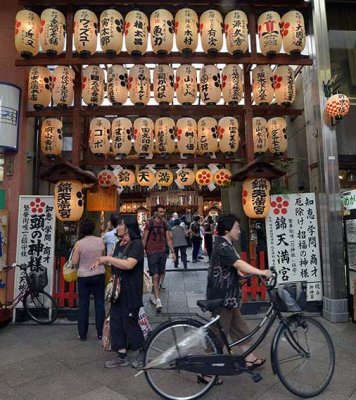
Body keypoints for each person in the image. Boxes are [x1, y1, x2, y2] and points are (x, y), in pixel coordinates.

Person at [203, 214, 272, 384]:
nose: (239, 231)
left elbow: (235, 266)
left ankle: (249, 358)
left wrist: (242, 274)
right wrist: (261, 272)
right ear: (227, 229)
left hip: (229, 297)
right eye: (237, 228)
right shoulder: (222, 245)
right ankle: (206, 373)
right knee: (218, 335)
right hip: (222, 297)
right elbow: (238, 264)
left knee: (240, 327)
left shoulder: (225, 243)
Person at [92, 215, 145, 369]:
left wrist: (107, 259)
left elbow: (129, 264)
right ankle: (121, 356)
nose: (117, 228)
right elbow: (116, 263)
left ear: (127, 227)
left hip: (131, 290)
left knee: (130, 323)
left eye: (120, 225)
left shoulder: (136, 244)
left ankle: (143, 351)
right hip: (117, 291)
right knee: (116, 322)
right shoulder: (119, 243)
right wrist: (103, 261)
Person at [72, 219, 105, 341]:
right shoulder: (100, 241)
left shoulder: (79, 244)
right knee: (99, 303)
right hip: (98, 274)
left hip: (84, 276)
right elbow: (102, 257)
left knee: (83, 304)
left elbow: (75, 262)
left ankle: (82, 334)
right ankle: (101, 333)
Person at [142, 205, 176, 312]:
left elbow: (169, 239)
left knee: (160, 274)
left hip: (162, 252)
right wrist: (141, 251)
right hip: (152, 252)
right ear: (156, 212)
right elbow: (144, 238)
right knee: (155, 275)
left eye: (163, 212)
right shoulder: (149, 223)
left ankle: (153, 293)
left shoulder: (165, 224)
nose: (162, 214)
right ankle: (158, 300)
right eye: (160, 212)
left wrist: (173, 252)